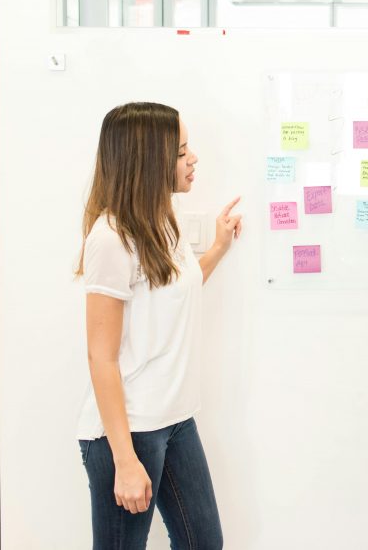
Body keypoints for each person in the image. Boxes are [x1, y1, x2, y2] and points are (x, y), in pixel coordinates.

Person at [74, 102, 242, 549]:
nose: (194, 159)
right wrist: (125, 459)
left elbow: (174, 290)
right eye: (181, 150)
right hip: (129, 430)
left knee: (203, 543)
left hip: (176, 419)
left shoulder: (163, 220)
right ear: (148, 161)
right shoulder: (110, 238)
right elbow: (101, 356)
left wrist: (219, 249)